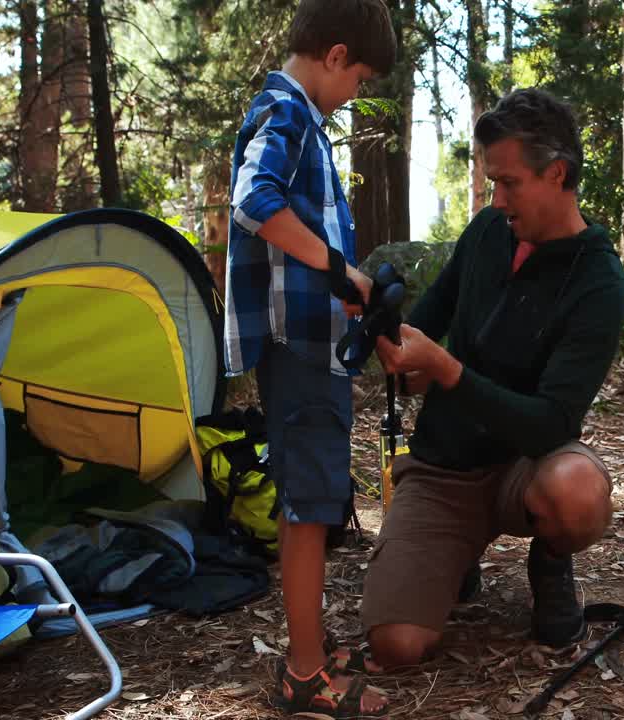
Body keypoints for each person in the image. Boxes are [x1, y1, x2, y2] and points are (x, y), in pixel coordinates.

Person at [362, 88, 624, 669]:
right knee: (397, 646)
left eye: (509, 183)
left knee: (578, 491)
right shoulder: (486, 231)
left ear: (556, 173)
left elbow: (551, 424)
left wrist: (445, 370)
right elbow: (425, 323)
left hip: (523, 469)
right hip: (441, 469)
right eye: (492, 183)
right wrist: (389, 340)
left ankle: (551, 560)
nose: (497, 199)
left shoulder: (598, 281)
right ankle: (456, 557)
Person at [223, 0, 396, 715]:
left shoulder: (301, 120)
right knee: (307, 507)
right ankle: (302, 675)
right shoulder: (287, 112)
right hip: (297, 349)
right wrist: (339, 272)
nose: (357, 93)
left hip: (314, 345)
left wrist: (349, 292)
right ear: (333, 56)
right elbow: (252, 199)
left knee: (318, 498)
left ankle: (312, 645)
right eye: (358, 78)